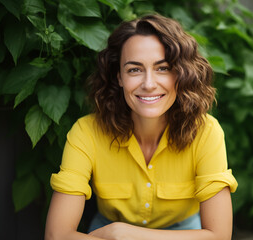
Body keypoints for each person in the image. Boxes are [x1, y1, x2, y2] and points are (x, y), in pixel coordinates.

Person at [45, 14, 238, 240]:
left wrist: (126, 234)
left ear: (181, 74)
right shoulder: (86, 132)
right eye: (134, 70)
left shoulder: (206, 132)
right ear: (119, 77)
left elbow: (219, 236)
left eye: (163, 68)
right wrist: (116, 234)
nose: (148, 84)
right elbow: (56, 235)